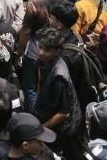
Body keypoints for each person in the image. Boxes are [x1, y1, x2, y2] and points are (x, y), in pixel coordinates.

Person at [33, 26, 82, 160]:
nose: (41, 52)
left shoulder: (59, 77)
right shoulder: (45, 62)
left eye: (47, 50)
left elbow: (63, 114)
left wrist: (41, 128)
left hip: (61, 128)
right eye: (40, 47)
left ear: (57, 50)